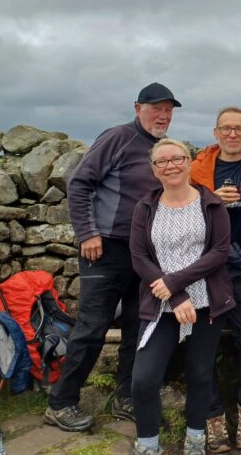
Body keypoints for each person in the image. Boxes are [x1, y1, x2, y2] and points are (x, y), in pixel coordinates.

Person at [45, 83, 180, 432]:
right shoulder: (117, 137)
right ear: (138, 108)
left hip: (144, 253)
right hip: (105, 249)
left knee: (139, 326)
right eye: (156, 108)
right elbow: (79, 183)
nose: (163, 115)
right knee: (92, 327)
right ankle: (61, 402)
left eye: (168, 110)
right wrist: (87, 233)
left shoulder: (163, 150)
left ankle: (126, 396)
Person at [128, 138, 233, 455]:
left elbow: (219, 253)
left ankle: (196, 440)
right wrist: (173, 296)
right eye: (162, 161)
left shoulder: (211, 204)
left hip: (206, 303)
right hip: (160, 305)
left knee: (200, 375)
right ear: (154, 169)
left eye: (177, 158)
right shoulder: (145, 207)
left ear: (189, 163)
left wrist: (175, 283)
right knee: (143, 380)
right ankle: (148, 446)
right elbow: (139, 257)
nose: (170, 165)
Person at [190, 107, 241, 453]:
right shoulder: (197, 171)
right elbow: (177, 209)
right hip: (206, 271)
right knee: (201, 349)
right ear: (216, 132)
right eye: (227, 128)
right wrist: (209, 201)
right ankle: (212, 417)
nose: (233, 134)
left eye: (240, 128)